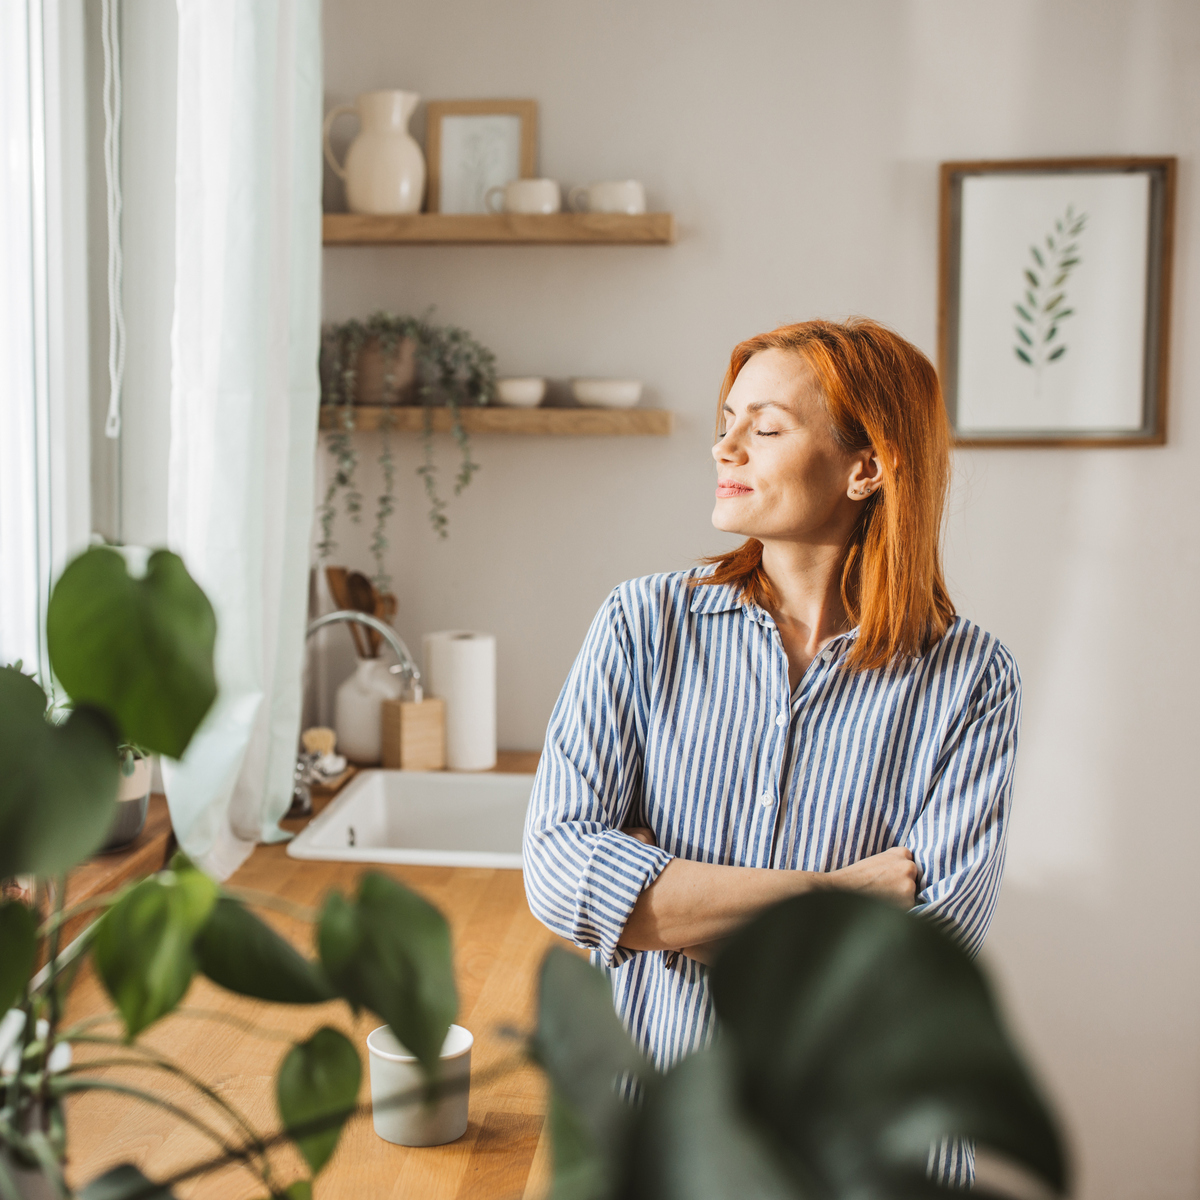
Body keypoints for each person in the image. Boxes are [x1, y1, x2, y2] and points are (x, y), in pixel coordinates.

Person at [522, 318, 1019, 1186]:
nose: (725, 445)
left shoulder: (972, 678)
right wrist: (842, 893)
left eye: (768, 427)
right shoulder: (643, 625)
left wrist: (667, 909)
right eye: (728, 418)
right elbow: (562, 873)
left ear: (867, 467)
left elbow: (915, 956)